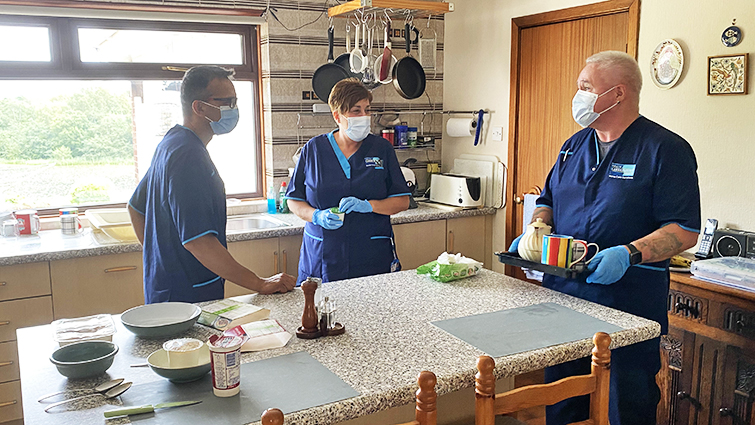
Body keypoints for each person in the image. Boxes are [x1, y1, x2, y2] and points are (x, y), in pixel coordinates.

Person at [509, 51, 701, 425]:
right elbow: (547, 199)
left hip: (626, 301)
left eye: (585, 87)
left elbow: (684, 230)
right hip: (563, 297)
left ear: (618, 94)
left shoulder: (665, 149)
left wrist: (627, 254)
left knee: (626, 403)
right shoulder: (573, 146)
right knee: (562, 399)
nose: (577, 94)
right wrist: (537, 227)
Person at [128, 65, 296, 304]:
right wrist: (260, 283)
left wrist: (160, 260)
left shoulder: (172, 143)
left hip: (168, 288)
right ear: (199, 107)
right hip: (186, 297)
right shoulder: (188, 155)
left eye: (235, 101)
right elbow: (199, 242)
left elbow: (135, 208)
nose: (234, 109)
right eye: (227, 102)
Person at [285, 79, 410, 285]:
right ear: (337, 116)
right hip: (322, 254)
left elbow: (402, 201)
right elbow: (294, 200)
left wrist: (369, 206)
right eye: (355, 111)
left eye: (367, 110)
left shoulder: (381, 149)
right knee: (318, 312)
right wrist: (316, 216)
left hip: (371, 255)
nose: (364, 117)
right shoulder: (313, 150)